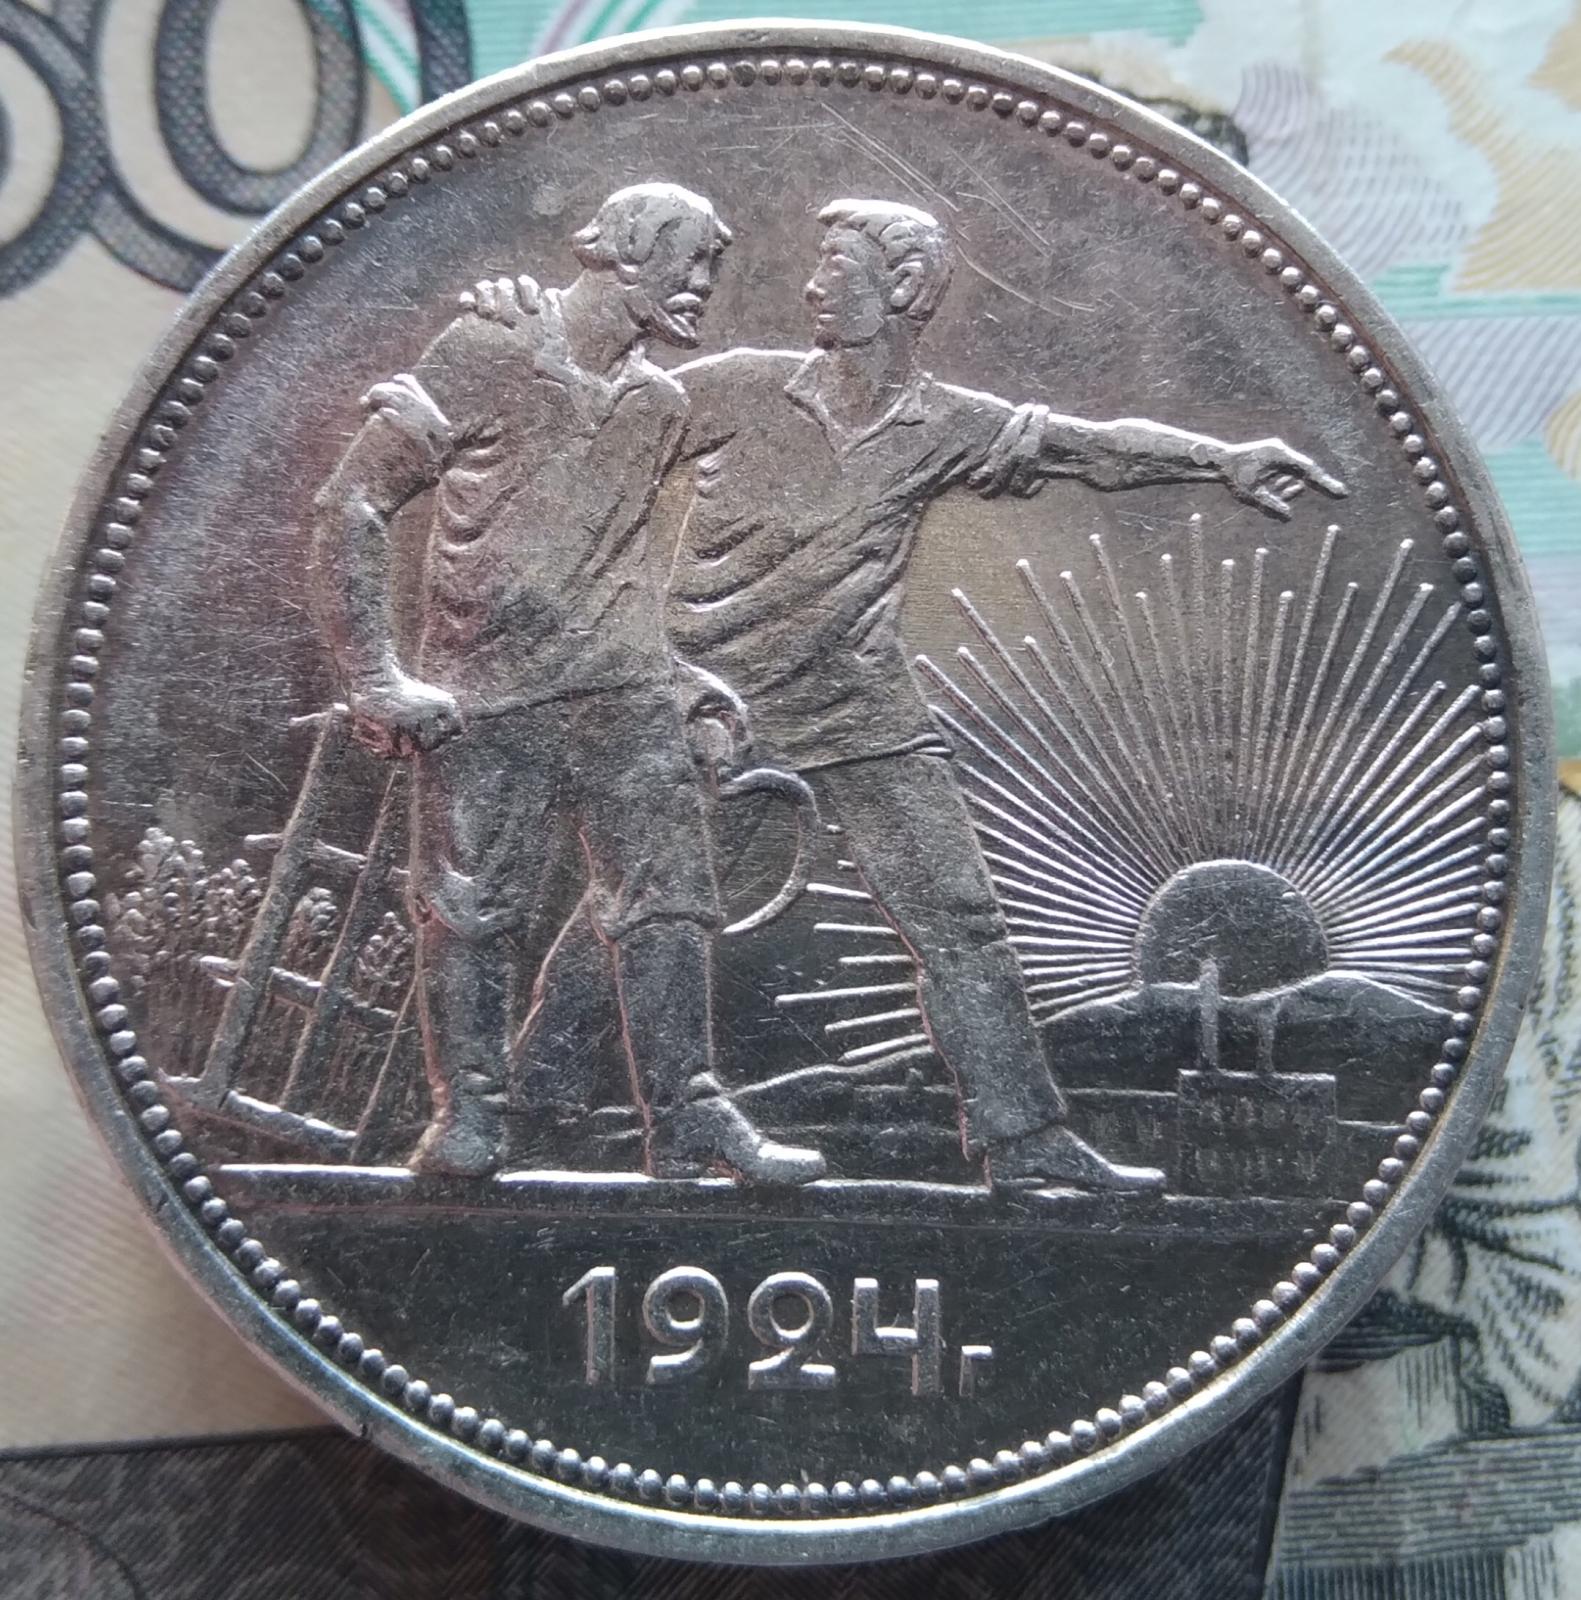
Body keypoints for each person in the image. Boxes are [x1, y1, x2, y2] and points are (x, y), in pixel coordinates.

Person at [660, 199, 1346, 1191]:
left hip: (862, 712)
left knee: (963, 925)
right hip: (715, 712)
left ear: (904, 287)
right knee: (643, 918)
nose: (810, 286)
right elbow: (597, 442)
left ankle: (1024, 1141)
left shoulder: (944, 425)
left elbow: (1088, 447)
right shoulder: (737, 387)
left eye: (837, 266)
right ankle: (541, 1103)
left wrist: (1222, 461)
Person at [308, 184, 824, 1185]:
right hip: (487, 700)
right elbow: (353, 502)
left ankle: (687, 1117)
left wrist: (678, 681)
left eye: (712, 269)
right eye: (691, 264)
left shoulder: (658, 404)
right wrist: (374, 675)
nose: (704, 288)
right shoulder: (488, 348)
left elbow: (603, 570)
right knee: (471, 909)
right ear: (627, 255)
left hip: (625, 701)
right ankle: (469, 1118)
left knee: (671, 904)